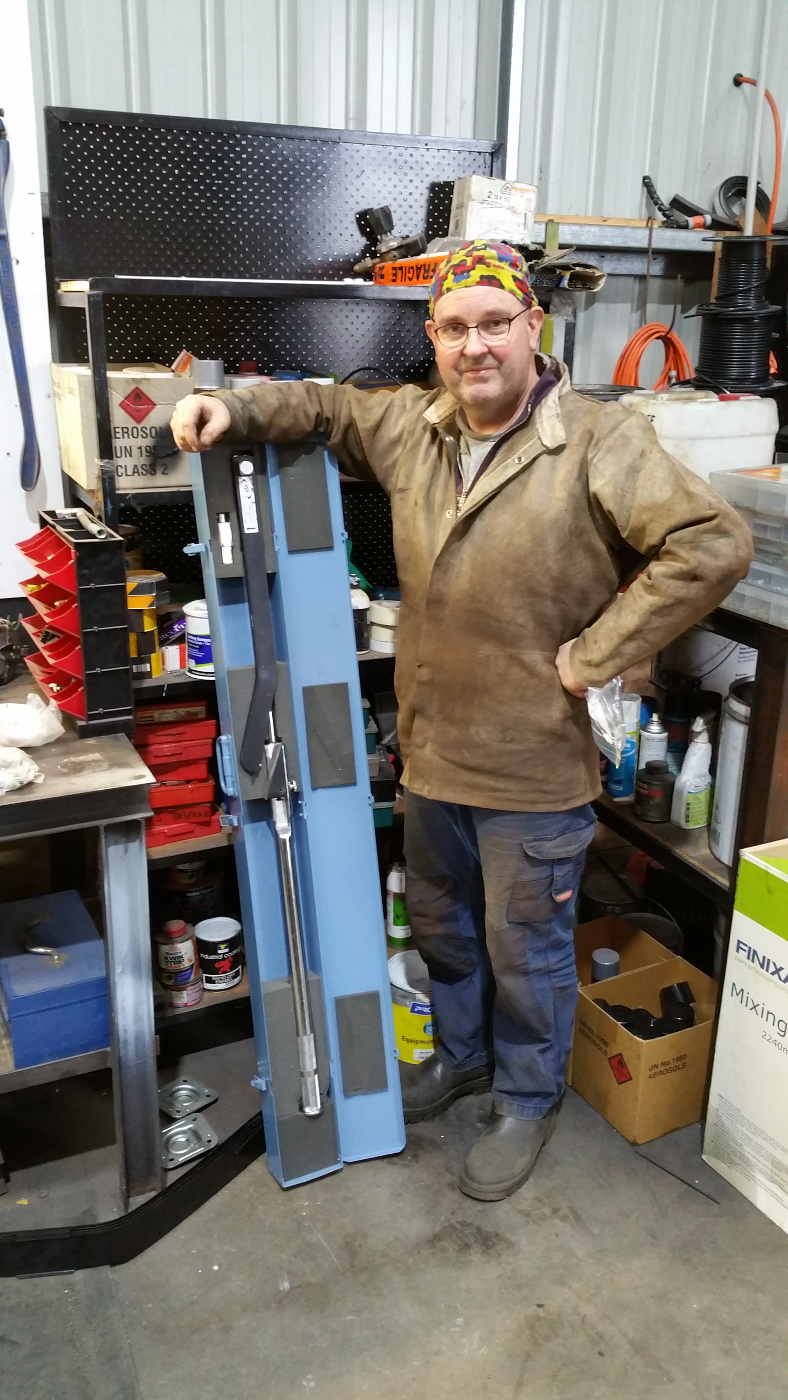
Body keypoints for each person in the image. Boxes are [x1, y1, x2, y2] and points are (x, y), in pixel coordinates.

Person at [171, 240, 752, 1201]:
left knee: (525, 949)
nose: (474, 346)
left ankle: (528, 1097)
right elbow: (328, 408)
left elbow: (712, 542)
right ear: (433, 338)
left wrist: (595, 654)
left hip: (533, 765)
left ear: (533, 326)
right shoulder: (418, 424)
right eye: (452, 328)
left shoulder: (597, 440)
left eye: (493, 324)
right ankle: (465, 1058)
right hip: (433, 753)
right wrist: (232, 407)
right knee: (444, 927)